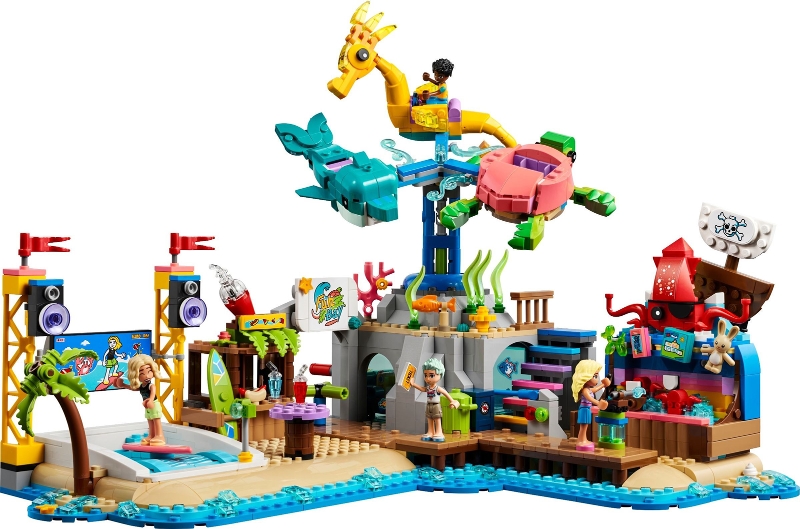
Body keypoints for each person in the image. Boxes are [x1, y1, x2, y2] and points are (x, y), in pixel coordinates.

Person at [114, 355, 166, 446]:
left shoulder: (151, 385)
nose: (147, 376)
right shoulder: (142, 386)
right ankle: (152, 435)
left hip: (153, 404)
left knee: (156, 420)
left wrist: (150, 400)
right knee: (150, 420)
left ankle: (160, 436)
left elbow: (153, 392)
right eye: (142, 373)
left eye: (149, 371)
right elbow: (134, 388)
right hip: (147, 405)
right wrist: (123, 385)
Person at [406, 358, 459, 442]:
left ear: (440, 374)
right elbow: (422, 389)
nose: (427, 379)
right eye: (425, 375)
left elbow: (446, 394)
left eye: (431, 375)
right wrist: (413, 384)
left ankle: (439, 432)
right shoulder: (428, 388)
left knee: (437, 419)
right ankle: (430, 432)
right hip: (429, 405)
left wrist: (452, 401)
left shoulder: (438, 388)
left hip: (436, 405)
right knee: (429, 419)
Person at [570, 359, 610, 450]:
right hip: (584, 409)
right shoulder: (585, 390)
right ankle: (581, 441)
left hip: (587, 409)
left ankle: (583, 439)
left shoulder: (588, 389)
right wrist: (598, 403)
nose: (597, 379)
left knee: (585, 426)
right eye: (595, 376)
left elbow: (595, 390)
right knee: (583, 426)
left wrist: (603, 385)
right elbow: (590, 398)